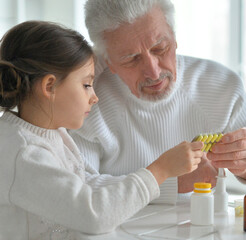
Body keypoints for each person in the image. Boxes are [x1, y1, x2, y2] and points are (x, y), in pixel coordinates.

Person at [71, 0, 246, 204]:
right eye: (131, 59)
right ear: (107, 61)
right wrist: (171, 182)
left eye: (160, 48)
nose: (153, 72)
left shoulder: (220, 85)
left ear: (175, 36)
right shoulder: (85, 101)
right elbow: (78, 191)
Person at [0, 20, 203, 239]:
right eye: (86, 85)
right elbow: (93, 214)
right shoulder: (24, 154)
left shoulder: (53, 135)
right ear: (49, 86)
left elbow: (87, 187)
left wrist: (167, 179)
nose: (94, 97)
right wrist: (160, 169)